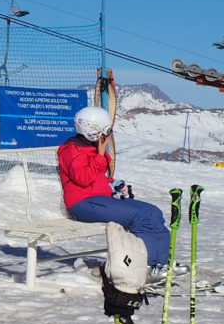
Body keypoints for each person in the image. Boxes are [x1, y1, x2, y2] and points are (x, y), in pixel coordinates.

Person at [57, 105, 173, 273]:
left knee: (153, 212)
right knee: (140, 216)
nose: (107, 136)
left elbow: (96, 177)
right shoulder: (72, 150)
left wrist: (113, 183)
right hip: (82, 203)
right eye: (106, 132)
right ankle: (147, 265)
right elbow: (83, 178)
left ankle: (163, 263)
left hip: (98, 199)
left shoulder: (88, 147)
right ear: (93, 131)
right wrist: (100, 155)